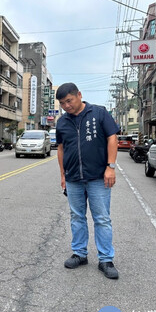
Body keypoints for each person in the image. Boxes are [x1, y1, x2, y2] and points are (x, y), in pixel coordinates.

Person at [55, 82, 120, 280]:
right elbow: (61, 148)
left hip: (98, 177)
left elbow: (112, 138)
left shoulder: (99, 113)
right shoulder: (62, 122)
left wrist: (111, 167)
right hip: (74, 178)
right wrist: (63, 175)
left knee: (102, 218)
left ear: (79, 95)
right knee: (77, 217)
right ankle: (80, 254)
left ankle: (106, 259)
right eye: (62, 103)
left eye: (69, 101)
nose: (66, 106)